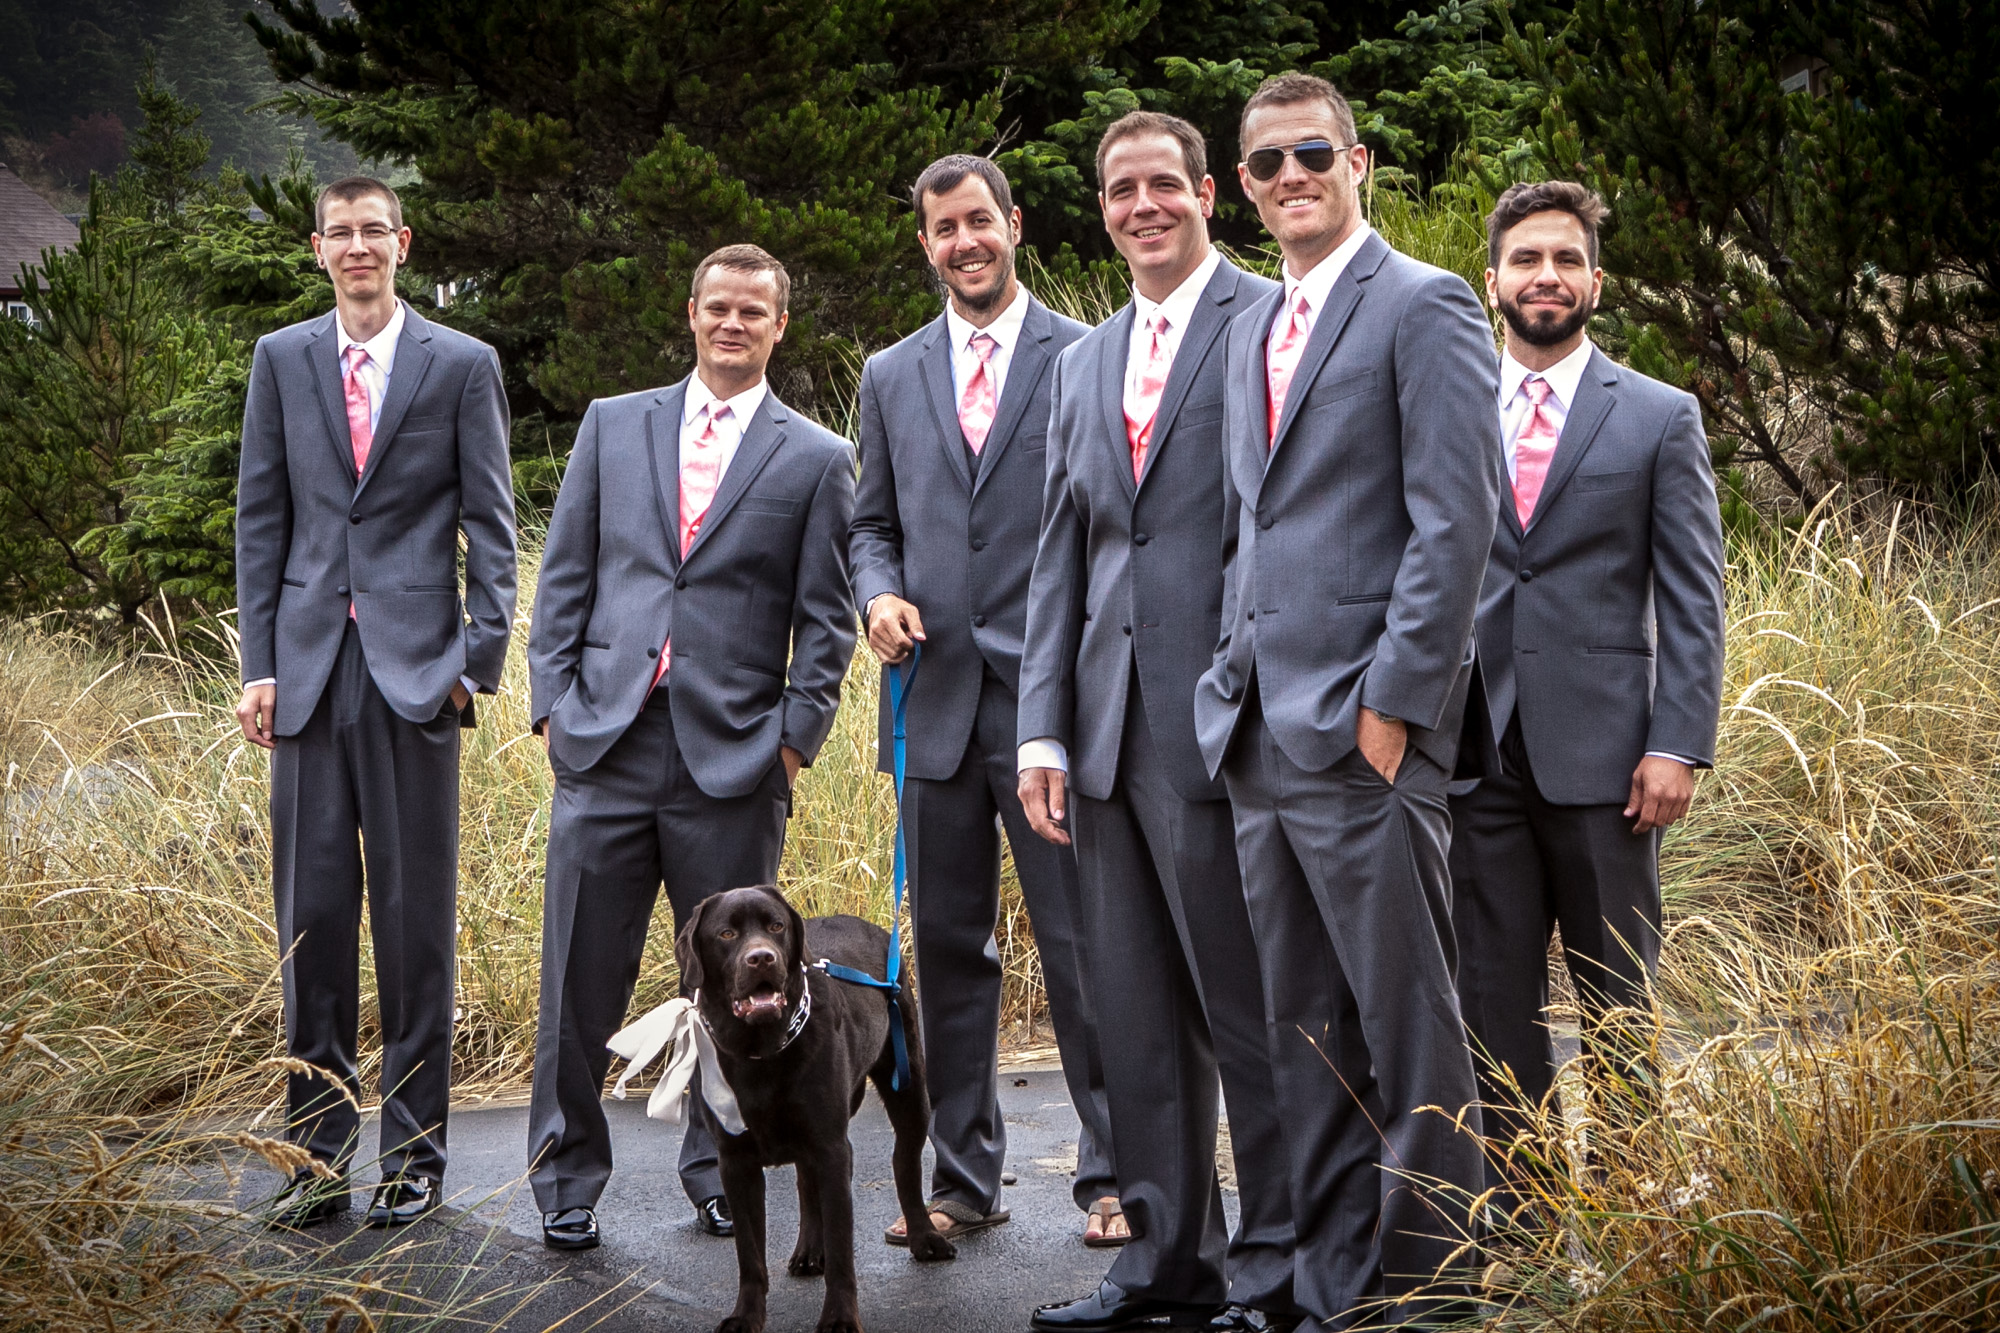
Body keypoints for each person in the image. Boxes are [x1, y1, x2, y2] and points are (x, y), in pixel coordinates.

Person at [1192, 74, 1503, 1326]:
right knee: (1302, 1028)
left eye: (1309, 153)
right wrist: (1230, 675)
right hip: (1259, 735)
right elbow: (1247, 526)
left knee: (1408, 1027)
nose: (1287, 178)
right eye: (1263, 164)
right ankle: (1327, 1290)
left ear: (1357, 160)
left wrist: (1393, 707)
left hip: (1364, 736)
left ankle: (1433, 1292)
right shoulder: (1254, 326)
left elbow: (1455, 523)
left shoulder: (1421, 306)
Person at [1018, 112, 1297, 1333]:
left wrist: (1240, 690)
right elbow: (1061, 554)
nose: (1142, 206)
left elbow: (1274, 528)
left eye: (1162, 186)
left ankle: (1277, 1264)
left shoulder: (1267, 323)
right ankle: (1162, 1262)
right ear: (1102, 209)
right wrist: (1040, 729)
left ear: (1204, 194)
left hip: (1217, 720)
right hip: (1097, 732)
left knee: (1247, 1009)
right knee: (1129, 1006)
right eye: (1120, 190)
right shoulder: (1080, 361)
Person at [523, 244, 857, 1251]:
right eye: (718, 307)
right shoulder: (614, 425)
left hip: (733, 762)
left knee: (731, 991)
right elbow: (565, 573)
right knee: (578, 977)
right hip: (608, 743)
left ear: (777, 325)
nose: (732, 324)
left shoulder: (811, 458)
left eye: (753, 311)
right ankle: (566, 1178)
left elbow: (826, 619)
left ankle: (718, 1170)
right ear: (691, 311)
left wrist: (791, 743)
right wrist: (553, 710)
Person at [235, 176, 518, 1229]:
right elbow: (261, 517)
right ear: (319, 249)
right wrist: (257, 661)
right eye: (339, 234)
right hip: (306, 674)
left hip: (415, 678)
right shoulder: (281, 359)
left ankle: (413, 1155)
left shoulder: (460, 364)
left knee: (412, 929)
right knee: (310, 925)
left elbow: (491, 524)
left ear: (402, 242)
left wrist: (473, 661)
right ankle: (314, 1161)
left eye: (373, 232)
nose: (358, 248)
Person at [849, 155, 1116, 1246]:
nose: (963, 242)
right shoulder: (887, 374)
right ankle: (962, 1180)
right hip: (931, 707)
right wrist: (874, 595)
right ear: (924, 244)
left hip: (1054, 707)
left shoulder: (1088, 356)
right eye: (941, 228)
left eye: (979, 222)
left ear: (1012, 226)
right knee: (950, 951)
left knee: (1084, 944)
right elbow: (869, 524)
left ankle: (1115, 1177)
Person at [1448, 181, 1725, 1198]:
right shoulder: (1442, 405)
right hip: (1470, 760)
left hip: (1611, 765)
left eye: (1565, 260)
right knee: (1491, 1007)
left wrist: (1678, 741)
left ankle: (1628, 1221)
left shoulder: (1657, 416)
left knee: (1618, 1002)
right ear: (1492, 281)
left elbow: (1694, 597)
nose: (1545, 277)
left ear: (1594, 281)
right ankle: (1513, 1232)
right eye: (1525, 260)